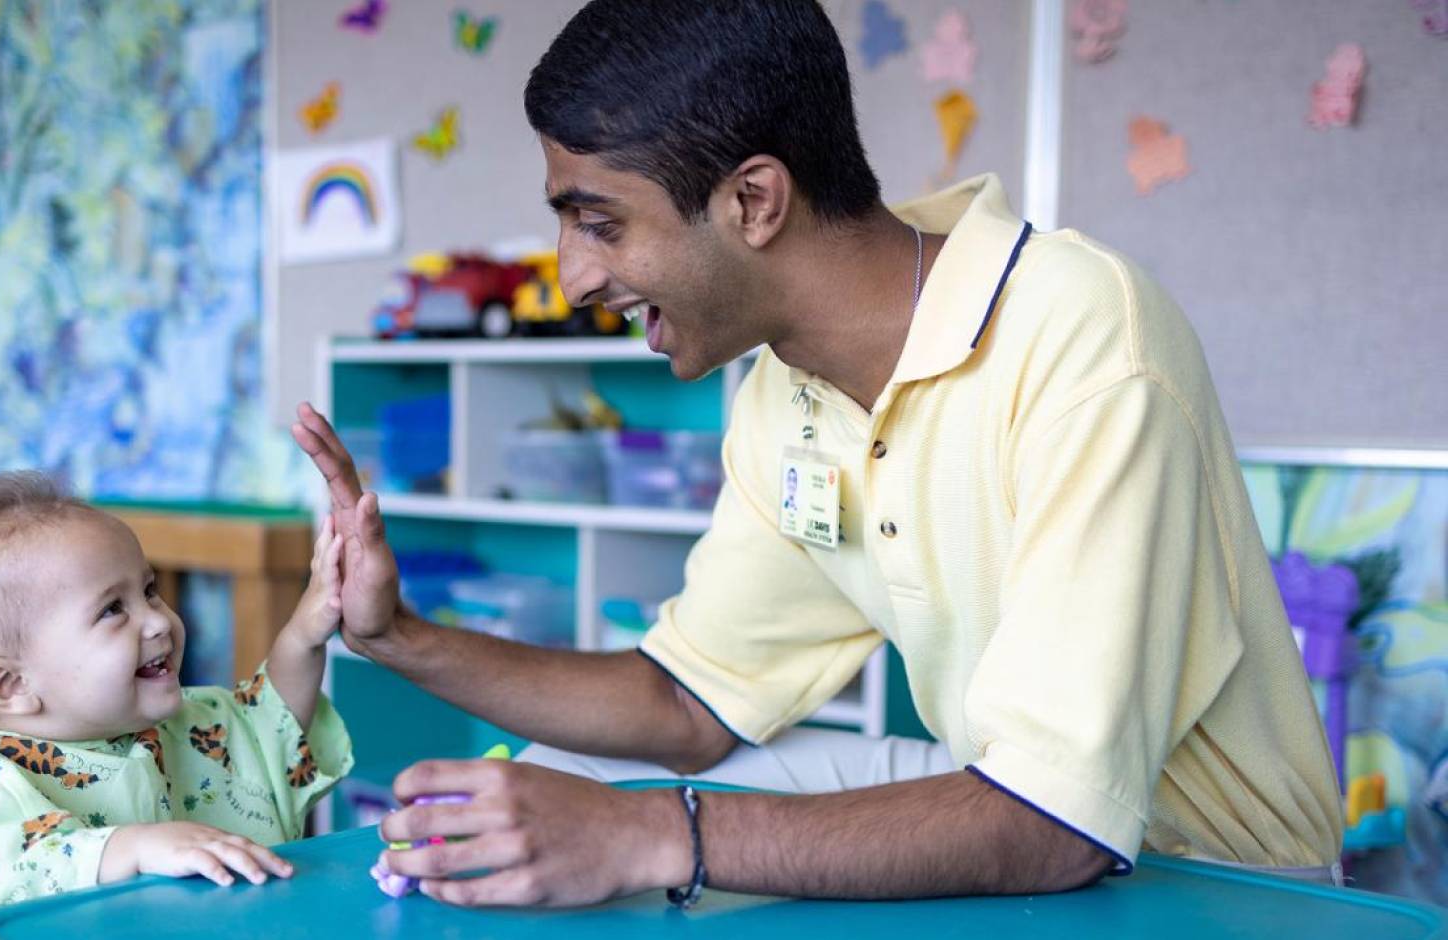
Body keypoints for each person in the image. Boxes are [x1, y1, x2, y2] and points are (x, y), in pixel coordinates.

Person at [289, 0, 1342, 909]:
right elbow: (685, 707)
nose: (573, 277)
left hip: (1206, 881)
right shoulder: (785, 392)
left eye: (599, 223)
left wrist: (656, 837)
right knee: (572, 775)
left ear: (754, 201)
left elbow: (1056, 820)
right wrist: (397, 637)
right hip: (1025, 808)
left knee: (635, 819)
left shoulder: (1083, 337)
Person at [0, 471, 353, 937]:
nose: (158, 621)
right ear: (11, 684)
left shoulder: (188, 724)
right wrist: (130, 848)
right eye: (113, 609)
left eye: (149, 591)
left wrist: (307, 630)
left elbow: (273, 722)